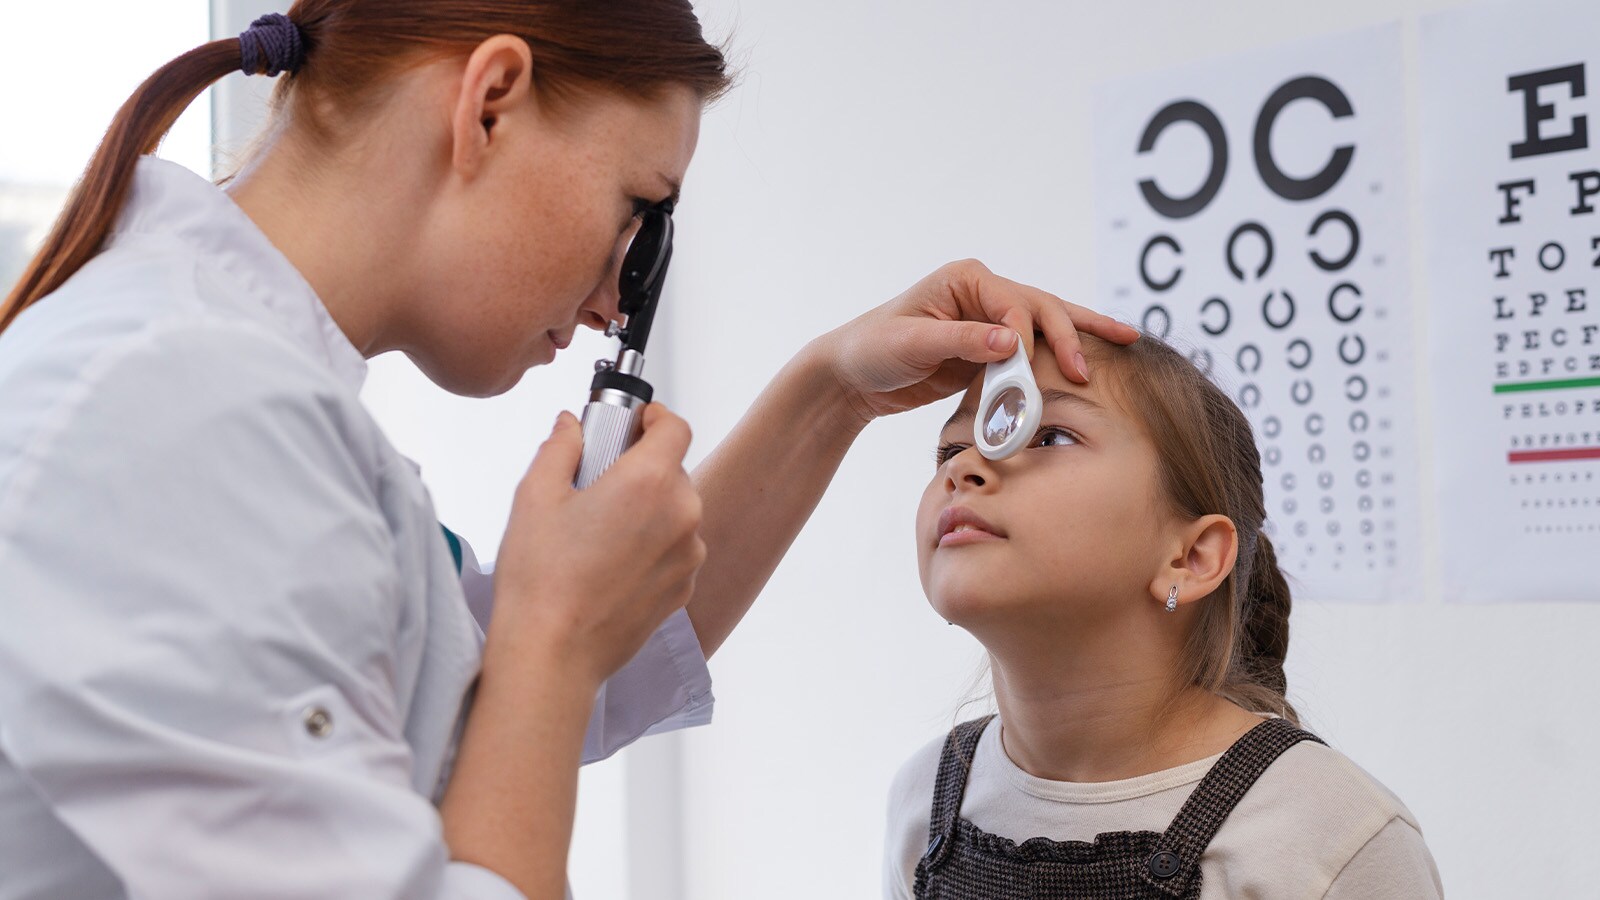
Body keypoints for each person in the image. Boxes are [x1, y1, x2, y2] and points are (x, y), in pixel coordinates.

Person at [0, 3, 1137, 899]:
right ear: (489, 103)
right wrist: (551, 632)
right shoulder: (179, 410)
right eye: (637, 209)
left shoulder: (249, 406)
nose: (616, 300)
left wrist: (829, 391)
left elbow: (516, 708)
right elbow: (535, 675)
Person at [884, 336, 1443, 899]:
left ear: (1191, 558)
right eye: (951, 449)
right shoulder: (923, 800)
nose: (967, 467)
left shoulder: (1334, 839)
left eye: (1050, 435)